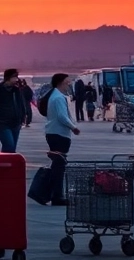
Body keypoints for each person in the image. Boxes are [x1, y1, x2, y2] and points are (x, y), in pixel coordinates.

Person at [45, 72, 81, 205]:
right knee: (59, 166)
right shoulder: (59, 98)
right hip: (59, 134)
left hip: (53, 132)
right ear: (61, 83)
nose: (69, 85)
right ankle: (57, 196)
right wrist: (73, 127)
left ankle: (55, 193)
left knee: (57, 165)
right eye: (67, 82)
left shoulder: (54, 96)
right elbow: (62, 116)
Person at [0, 68, 27, 153]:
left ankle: (7, 161)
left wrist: (24, 115)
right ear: (8, 78)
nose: (16, 79)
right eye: (14, 77)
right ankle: (4, 160)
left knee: (12, 148)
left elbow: (21, 103)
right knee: (9, 145)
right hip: (2, 123)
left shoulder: (16, 90)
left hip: (16, 123)